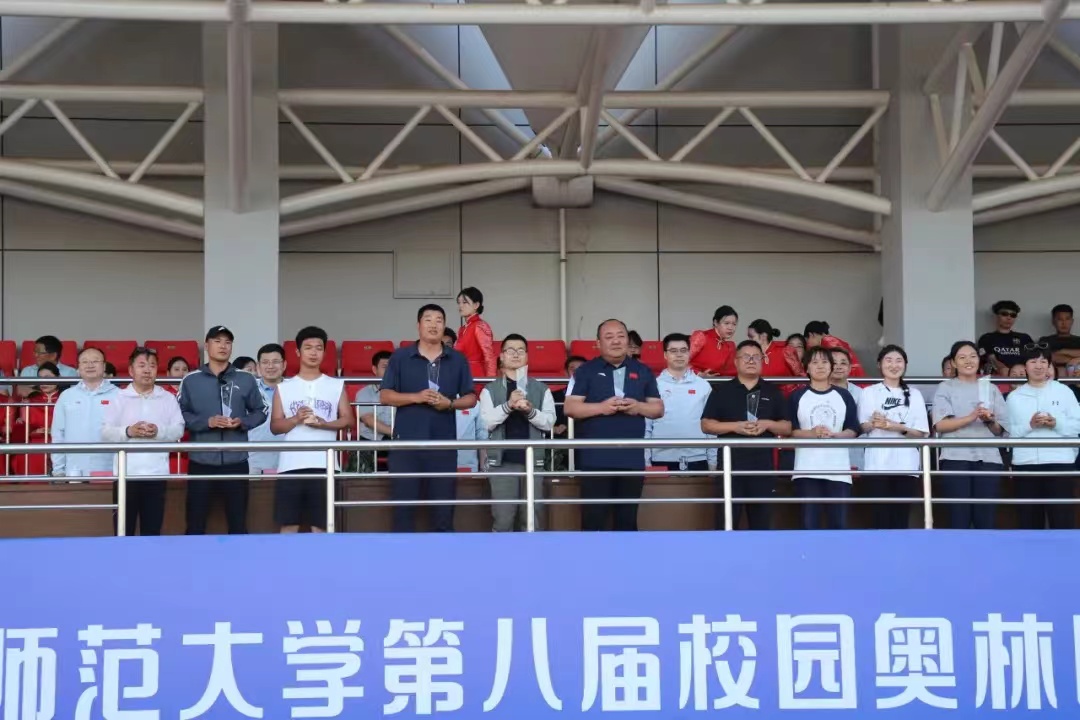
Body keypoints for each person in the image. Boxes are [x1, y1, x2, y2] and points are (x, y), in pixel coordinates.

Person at [381, 304, 477, 532]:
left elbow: (471, 398)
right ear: (418, 325)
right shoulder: (401, 356)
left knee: (443, 513)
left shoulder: (457, 359)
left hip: (443, 446)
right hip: (406, 446)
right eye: (428, 319)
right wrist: (416, 397)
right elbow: (385, 396)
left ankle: (444, 554)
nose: (433, 325)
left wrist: (449, 403)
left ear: (444, 326)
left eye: (439, 320)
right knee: (403, 514)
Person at [564, 319, 663, 531]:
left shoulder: (643, 370)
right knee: (593, 521)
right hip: (595, 459)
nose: (616, 341)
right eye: (609, 337)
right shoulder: (585, 371)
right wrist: (602, 408)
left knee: (627, 521)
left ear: (628, 341)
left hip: (631, 459)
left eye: (621, 336)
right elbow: (570, 408)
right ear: (598, 343)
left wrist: (638, 407)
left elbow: (658, 409)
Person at [177, 326, 267, 535]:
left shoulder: (246, 378)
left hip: (236, 461)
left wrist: (242, 422)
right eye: (217, 341)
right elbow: (179, 414)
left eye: (227, 342)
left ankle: (239, 556)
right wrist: (206, 422)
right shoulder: (191, 379)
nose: (223, 346)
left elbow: (261, 410)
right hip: (201, 461)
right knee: (195, 524)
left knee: (238, 523)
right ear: (207, 345)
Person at [270, 327, 353, 533]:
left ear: (324, 352)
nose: (314, 352)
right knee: (289, 525)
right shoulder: (284, 387)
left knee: (322, 526)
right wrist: (296, 419)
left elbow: (348, 420)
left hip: (325, 464)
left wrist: (324, 424)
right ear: (298, 352)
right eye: (308, 348)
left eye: (319, 348)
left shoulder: (336, 385)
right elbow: (275, 426)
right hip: (290, 465)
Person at [701, 339, 791, 530]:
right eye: (746, 357)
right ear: (736, 361)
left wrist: (767, 424)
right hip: (730, 467)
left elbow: (787, 427)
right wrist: (736, 427)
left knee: (761, 525)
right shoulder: (722, 391)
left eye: (756, 357)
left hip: (763, 469)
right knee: (726, 523)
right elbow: (706, 425)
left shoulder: (773, 391)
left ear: (762, 360)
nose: (751, 361)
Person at [101, 347, 185, 536]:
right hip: (125, 475)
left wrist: (158, 431)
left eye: (152, 366)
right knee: (123, 531)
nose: (147, 370)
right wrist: (128, 431)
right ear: (131, 370)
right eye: (142, 365)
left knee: (152, 531)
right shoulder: (118, 398)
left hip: (156, 474)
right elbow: (105, 432)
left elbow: (178, 429)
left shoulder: (167, 398)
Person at [479, 334, 557, 532]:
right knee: (503, 520)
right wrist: (508, 405)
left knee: (531, 520)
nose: (516, 354)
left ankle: (530, 553)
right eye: (510, 350)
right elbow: (485, 423)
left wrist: (530, 411)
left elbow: (549, 422)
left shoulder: (541, 389)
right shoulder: (489, 390)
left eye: (521, 350)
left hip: (533, 462)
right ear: (502, 356)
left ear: (527, 356)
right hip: (502, 463)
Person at [932, 340, 1007, 530]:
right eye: (962, 357)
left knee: (986, 519)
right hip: (955, 458)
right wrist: (971, 417)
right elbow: (941, 425)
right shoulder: (946, 387)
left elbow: (1000, 430)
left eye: (973, 356)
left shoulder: (990, 388)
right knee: (958, 518)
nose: (968, 361)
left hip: (988, 458)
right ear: (954, 363)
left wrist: (989, 420)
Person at [1005, 343, 1080, 529]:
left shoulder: (1064, 392)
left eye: (1043, 361)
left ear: (1049, 365)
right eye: (1033, 361)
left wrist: (1056, 423)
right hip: (1026, 464)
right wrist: (1029, 425)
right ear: (1025, 366)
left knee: (1062, 520)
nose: (1038, 366)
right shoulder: (1014, 397)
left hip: (1060, 462)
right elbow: (1008, 433)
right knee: (1029, 521)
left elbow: (1077, 425)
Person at [858, 345, 930, 530]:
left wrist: (896, 427)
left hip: (906, 466)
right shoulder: (869, 392)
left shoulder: (915, 394)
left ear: (905, 365)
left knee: (901, 519)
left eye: (899, 361)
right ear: (879, 364)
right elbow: (862, 427)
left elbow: (921, 433)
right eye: (888, 360)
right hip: (877, 466)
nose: (894, 365)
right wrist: (874, 422)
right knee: (879, 519)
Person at [789, 347, 861, 530]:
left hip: (838, 471)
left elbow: (853, 429)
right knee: (808, 525)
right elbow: (792, 431)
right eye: (814, 362)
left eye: (824, 362)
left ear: (831, 367)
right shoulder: (797, 396)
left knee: (838, 525)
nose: (820, 366)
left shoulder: (844, 395)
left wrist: (837, 435)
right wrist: (812, 433)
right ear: (806, 368)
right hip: (806, 470)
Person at [646, 333, 714, 481]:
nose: (679, 355)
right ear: (665, 355)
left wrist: (713, 461)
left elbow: (711, 426)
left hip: (698, 458)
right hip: (661, 458)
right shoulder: (654, 385)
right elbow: (646, 427)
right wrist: (646, 461)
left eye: (683, 350)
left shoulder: (703, 386)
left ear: (689, 353)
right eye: (673, 351)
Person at [51, 347, 119, 478]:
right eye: (85, 362)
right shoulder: (67, 396)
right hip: (74, 469)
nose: (90, 365)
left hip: (110, 470)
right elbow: (58, 434)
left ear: (104, 366)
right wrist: (58, 470)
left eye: (95, 361)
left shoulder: (119, 395)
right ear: (78, 368)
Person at [12, 363, 61, 476]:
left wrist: (52, 431)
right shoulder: (29, 402)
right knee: (27, 454)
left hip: (60, 440)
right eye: (40, 378)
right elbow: (22, 430)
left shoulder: (66, 400)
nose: (43, 382)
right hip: (35, 440)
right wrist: (32, 430)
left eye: (48, 378)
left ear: (58, 378)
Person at [248, 343, 286, 477]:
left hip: (288, 460)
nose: (270, 366)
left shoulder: (295, 389)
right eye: (265, 362)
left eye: (275, 362)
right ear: (258, 367)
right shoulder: (248, 390)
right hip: (254, 461)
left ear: (284, 365)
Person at [829, 347, 864, 473]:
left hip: (853, 455)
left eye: (843, 363)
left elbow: (863, 425)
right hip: (825, 453)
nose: (838, 367)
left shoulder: (861, 394)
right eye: (834, 363)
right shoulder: (816, 392)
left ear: (849, 368)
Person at [978, 300, 1032, 373]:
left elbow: (1033, 359)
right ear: (996, 316)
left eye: (1013, 315)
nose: (1009, 318)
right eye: (1004, 314)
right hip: (997, 377)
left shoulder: (1024, 338)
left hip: (1022, 377)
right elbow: (990, 359)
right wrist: (1003, 369)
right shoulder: (986, 338)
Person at [455, 287, 497, 380]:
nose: (460, 306)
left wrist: (490, 382)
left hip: (476, 376)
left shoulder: (480, 326)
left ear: (476, 305)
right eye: (459, 302)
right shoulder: (463, 328)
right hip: (462, 374)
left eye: (464, 302)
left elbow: (489, 357)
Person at [689, 305, 738, 377]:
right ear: (715, 322)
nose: (730, 328)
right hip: (692, 380)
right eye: (726, 323)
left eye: (734, 324)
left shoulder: (729, 346)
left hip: (715, 382)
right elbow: (680, 361)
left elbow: (731, 373)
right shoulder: (701, 337)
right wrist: (699, 374)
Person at [552, 355, 586, 438]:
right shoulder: (553, 396)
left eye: (581, 369)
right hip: (561, 439)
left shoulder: (596, 395)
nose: (577, 372)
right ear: (566, 373)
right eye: (572, 369)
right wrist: (553, 428)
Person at [1039, 303, 1080, 372]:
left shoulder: (1078, 340)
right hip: (1053, 375)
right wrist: (1075, 360)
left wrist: (1063, 351)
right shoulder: (1045, 340)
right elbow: (1048, 358)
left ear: (1072, 321)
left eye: (1067, 319)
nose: (1064, 323)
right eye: (1060, 319)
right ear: (1053, 321)